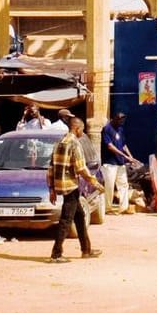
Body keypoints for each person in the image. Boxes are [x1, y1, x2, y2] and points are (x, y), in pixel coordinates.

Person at [47, 113, 100, 263]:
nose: (82, 132)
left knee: (80, 216)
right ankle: (56, 254)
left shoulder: (59, 142)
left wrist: (51, 189)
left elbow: (50, 168)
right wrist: (95, 183)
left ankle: (86, 249)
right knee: (66, 220)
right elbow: (81, 168)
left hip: (64, 186)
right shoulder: (75, 144)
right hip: (70, 186)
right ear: (77, 128)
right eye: (82, 129)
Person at [100, 114, 139, 214]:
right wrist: (125, 156)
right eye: (120, 121)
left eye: (122, 121)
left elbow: (123, 145)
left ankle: (123, 207)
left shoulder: (120, 129)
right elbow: (110, 146)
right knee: (109, 186)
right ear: (114, 119)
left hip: (120, 162)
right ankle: (107, 208)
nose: (121, 123)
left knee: (123, 184)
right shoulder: (106, 129)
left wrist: (130, 156)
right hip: (109, 163)